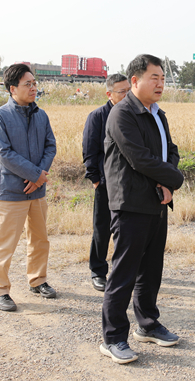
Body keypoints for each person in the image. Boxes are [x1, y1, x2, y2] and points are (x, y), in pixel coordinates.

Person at [100, 54, 184, 364]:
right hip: (131, 203)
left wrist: (168, 183)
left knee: (151, 269)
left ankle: (148, 324)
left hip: (157, 202)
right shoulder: (122, 114)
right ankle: (113, 338)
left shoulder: (158, 114)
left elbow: (170, 151)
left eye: (162, 78)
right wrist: (174, 179)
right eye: (154, 78)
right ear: (135, 81)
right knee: (124, 272)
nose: (160, 83)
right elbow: (139, 159)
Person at [0, 63, 57, 312]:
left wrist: (39, 176)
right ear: (12, 88)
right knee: (4, 242)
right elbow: (4, 154)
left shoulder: (41, 115)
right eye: (28, 84)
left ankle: (38, 280)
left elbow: (50, 146)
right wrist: (35, 174)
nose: (33, 88)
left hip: (37, 190)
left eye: (34, 83)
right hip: (12, 190)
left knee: (39, 239)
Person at [82, 73, 131, 291]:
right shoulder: (98, 116)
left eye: (129, 91)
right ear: (109, 94)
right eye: (122, 92)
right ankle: (98, 271)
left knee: (128, 230)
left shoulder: (135, 114)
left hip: (130, 183)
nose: (127, 95)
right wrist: (96, 180)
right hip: (106, 183)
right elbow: (89, 150)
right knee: (102, 229)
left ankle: (125, 270)